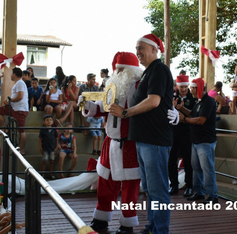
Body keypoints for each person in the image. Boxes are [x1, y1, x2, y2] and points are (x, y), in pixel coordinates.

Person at [110, 34, 174, 234]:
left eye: (141, 48)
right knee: (150, 189)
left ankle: (160, 230)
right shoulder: (148, 72)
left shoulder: (159, 69)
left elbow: (154, 101)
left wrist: (126, 112)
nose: (138, 51)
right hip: (145, 140)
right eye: (136, 48)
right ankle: (153, 226)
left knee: (158, 190)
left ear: (154, 50)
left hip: (154, 140)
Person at [82, 52, 143, 234]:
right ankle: (101, 220)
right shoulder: (112, 86)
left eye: (122, 69)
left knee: (130, 188)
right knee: (105, 183)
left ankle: (127, 224)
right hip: (110, 142)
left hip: (130, 143)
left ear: (132, 71)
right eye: (117, 69)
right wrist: (88, 105)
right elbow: (102, 108)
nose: (119, 72)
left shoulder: (140, 87)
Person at [176, 78, 218, 205]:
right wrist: (182, 109)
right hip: (196, 141)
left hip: (205, 141)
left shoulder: (209, 102)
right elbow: (193, 114)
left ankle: (212, 195)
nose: (191, 90)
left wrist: (184, 120)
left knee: (207, 169)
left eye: (193, 88)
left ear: (199, 88)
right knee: (196, 167)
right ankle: (199, 191)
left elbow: (201, 120)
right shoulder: (198, 102)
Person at [168, 75, 194, 197]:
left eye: (185, 86)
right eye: (181, 86)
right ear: (177, 86)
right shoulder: (171, 97)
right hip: (173, 133)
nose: (183, 89)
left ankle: (189, 186)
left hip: (187, 133)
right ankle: (173, 185)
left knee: (188, 161)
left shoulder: (193, 97)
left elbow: (195, 114)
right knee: (171, 160)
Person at [0, 67, 29, 155]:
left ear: (14, 74)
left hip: (20, 109)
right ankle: (5, 127)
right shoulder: (18, 83)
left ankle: (22, 150)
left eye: (11, 73)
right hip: (14, 108)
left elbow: (20, 96)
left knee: (21, 130)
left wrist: (10, 100)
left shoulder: (20, 83)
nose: (10, 75)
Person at [38, 115, 58, 179]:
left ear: (52, 122)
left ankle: (50, 174)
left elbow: (57, 138)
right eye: (47, 120)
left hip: (52, 148)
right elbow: (39, 139)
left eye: (50, 120)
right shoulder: (43, 130)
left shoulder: (54, 130)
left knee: (51, 161)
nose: (49, 121)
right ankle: (42, 174)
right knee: (44, 161)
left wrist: (56, 147)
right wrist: (40, 147)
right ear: (44, 122)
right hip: (45, 148)